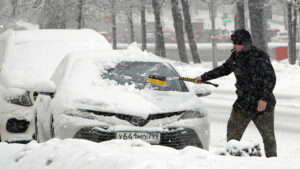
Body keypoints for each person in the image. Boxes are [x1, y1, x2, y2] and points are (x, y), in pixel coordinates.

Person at [194, 29, 277, 157]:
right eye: (234, 43)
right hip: (243, 103)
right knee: (232, 135)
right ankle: (232, 161)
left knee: (269, 138)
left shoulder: (260, 56)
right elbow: (224, 69)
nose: (234, 46)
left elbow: (270, 79)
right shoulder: (236, 56)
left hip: (263, 105)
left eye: (237, 43)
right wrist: (204, 77)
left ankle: (273, 162)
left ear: (246, 43)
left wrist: (263, 99)